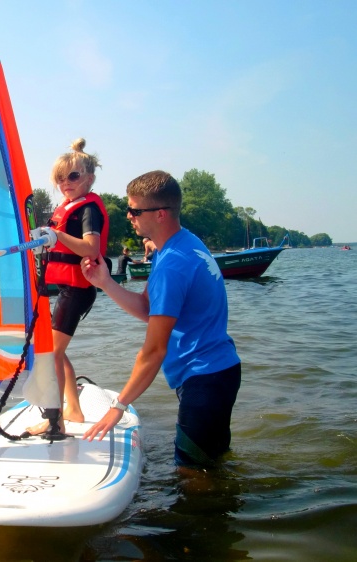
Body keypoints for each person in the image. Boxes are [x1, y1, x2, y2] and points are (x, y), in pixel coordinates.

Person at [81, 170, 241, 470]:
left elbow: (154, 351)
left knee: (192, 474)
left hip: (205, 379)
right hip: (219, 372)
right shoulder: (181, 244)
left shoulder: (173, 266)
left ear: (161, 214)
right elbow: (146, 307)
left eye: (135, 210)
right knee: (212, 463)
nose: (129, 216)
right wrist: (105, 282)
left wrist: (118, 406)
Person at [28, 138, 109, 436]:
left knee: (51, 353)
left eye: (73, 176)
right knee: (55, 350)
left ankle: (56, 421)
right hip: (64, 288)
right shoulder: (67, 207)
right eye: (60, 178)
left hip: (77, 290)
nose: (66, 183)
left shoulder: (89, 209)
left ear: (89, 178)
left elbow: (91, 248)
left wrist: (56, 236)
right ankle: (73, 409)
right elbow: (55, 240)